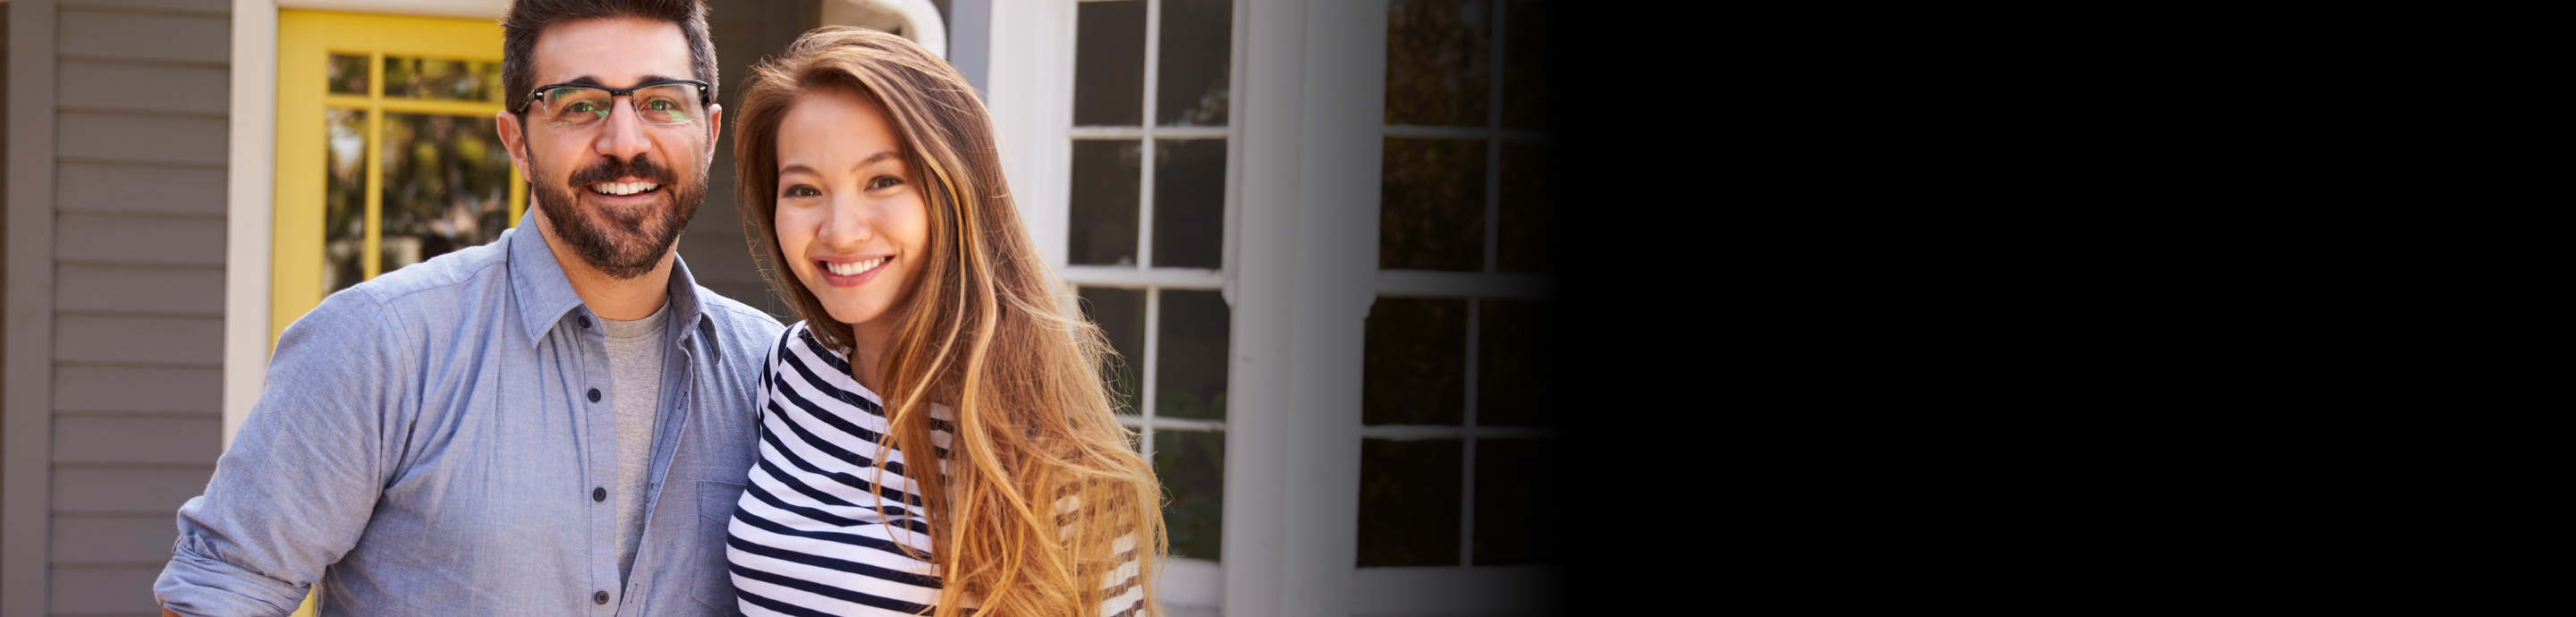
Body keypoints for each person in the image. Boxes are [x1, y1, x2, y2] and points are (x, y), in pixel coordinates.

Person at [152, 0, 782, 614]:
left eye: (662, 103)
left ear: (709, 132)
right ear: (516, 142)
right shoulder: (378, 344)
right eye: (579, 105)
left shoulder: (771, 374)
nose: (623, 142)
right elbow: (223, 592)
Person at [721, 28, 1165, 617]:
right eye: (804, 189)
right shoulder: (792, 369)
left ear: (954, 191)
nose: (840, 229)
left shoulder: (1049, 455)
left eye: (882, 180)